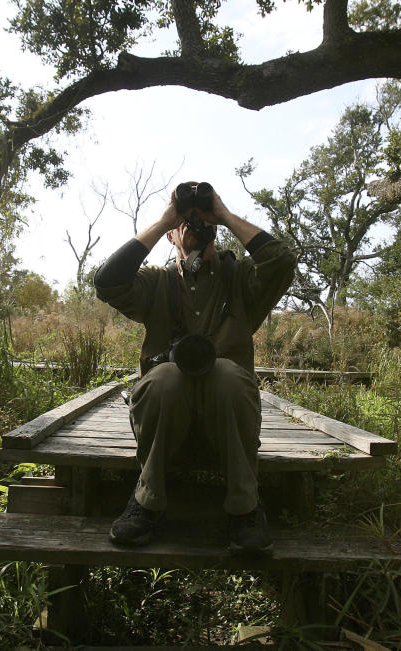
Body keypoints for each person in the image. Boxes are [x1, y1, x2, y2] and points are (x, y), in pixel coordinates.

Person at [94, 182, 297, 554]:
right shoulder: (156, 282)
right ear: (172, 234)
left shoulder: (239, 279)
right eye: (184, 223)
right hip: (168, 420)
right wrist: (163, 222)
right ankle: (147, 500)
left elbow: (282, 262)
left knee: (227, 374)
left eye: (202, 221)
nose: (194, 226)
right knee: (166, 376)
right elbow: (107, 282)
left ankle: (245, 508)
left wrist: (222, 214)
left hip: (227, 417)